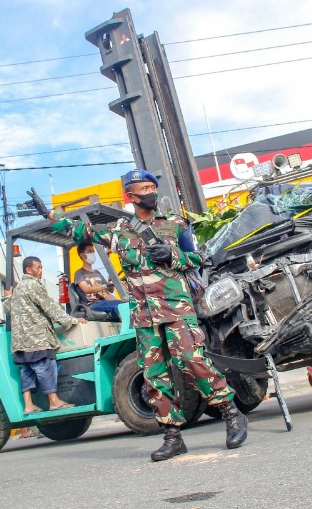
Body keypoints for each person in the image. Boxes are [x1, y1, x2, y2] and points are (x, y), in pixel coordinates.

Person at [43, 169, 248, 461]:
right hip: (144, 316)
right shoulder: (119, 231)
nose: (152, 192)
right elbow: (81, 232)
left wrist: (173, 256)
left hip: (176, 309)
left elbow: (200, 258)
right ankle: (172, 436)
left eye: (154, 187)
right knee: (154, 376)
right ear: (132, 195)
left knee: (191, 361)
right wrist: (51, 217)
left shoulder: (176, 225)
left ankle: (232, 414)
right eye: (145, 188)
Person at [4, 256, 87, 415]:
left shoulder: (19, 287)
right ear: (29, 270)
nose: (41, 271)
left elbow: (9, 310)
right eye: (38, 268)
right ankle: (54, 401)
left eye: (41, 268)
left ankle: (28, 405)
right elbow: (50, 308)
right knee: (45, 368)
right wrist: (72, 320)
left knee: (26, 370)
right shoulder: (34, 285)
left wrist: (7, 297)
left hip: (20, 341)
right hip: (37, 339)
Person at [74, 243, 121, 321]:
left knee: (126, 304)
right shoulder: (79, 273)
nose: (92, 254)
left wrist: (112, 283)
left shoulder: (97, 273)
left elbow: (110, 290)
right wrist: (104, 286)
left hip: (102, 302)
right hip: (91, 304)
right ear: (82, 255)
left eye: (93, 251)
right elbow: (86, 289)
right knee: (119, 306)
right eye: (89, 251)